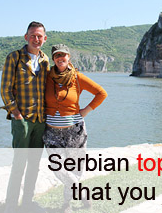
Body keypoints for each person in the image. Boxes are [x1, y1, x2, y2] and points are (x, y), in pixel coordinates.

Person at [43, 44, 108, 213]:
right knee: (58, 167)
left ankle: (66, 205)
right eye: (57, 55)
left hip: (75, 132)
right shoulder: (47, 77)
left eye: (63, 55)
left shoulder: (77, 77)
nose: (60, 58)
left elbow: (101, 93)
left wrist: (85, 111)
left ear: (69, 57)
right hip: (52, 132)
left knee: (75, 169)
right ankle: (84, 193)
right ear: (53, 58)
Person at [0, 21, 49, 213]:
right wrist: (16, 114)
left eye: (40, 36)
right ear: (26, 37)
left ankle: (28, 203)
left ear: (45, 39)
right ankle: (11, 206)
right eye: (33, 35)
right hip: (22, 120)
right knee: (19, 164)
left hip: (40, 121)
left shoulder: (46, 60)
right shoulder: (14, 57)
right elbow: (5, 89)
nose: (36, 39)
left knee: (34, 165)